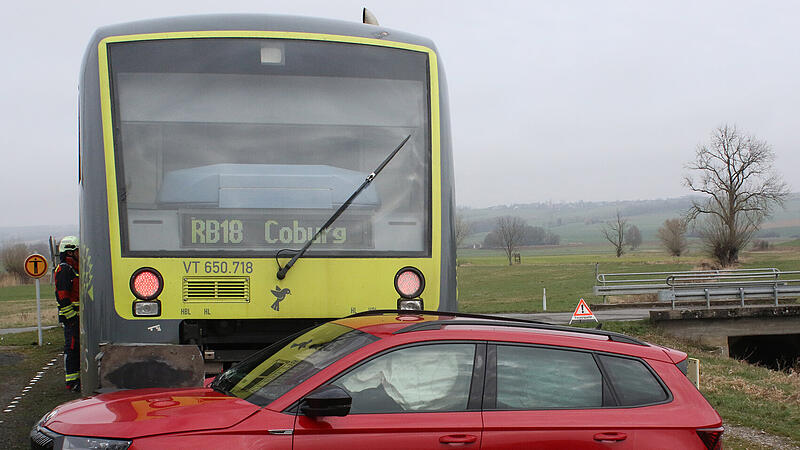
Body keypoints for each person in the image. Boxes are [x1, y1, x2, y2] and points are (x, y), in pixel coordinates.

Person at [55, 236, 80, 391]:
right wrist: (71, 318)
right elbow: (63, 297)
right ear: (70, 252)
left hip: (76, 317)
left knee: (76, 347)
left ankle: (76, 379)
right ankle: (71, 382)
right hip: (71, 318)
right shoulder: (64, 270)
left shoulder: (73, 269)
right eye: (77, 250)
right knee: (71, 347)